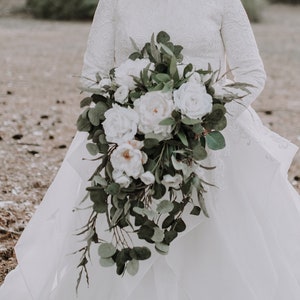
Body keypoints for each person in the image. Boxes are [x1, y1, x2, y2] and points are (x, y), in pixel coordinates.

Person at [1, 0, 300, 299]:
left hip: (207, 142)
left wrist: (204, 123)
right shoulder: (115, 3)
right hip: (131, 144)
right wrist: (130, 122)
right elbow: (94, 75)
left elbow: (251, 75)